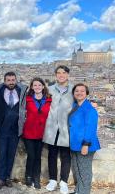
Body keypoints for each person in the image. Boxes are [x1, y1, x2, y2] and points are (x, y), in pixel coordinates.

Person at [43, 65, 74, 194]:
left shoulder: (74, 89)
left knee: (66, 156)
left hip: (66, 127)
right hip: (51, 127)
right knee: (52, 154)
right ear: (56, 75)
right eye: (59, 73)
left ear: (67, 74)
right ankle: (52, 180)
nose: (61, 75)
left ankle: (64, 182)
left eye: (64, 73)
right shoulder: (49, 90)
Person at [0, 72, 28, 190]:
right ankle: (1, 178)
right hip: (2, 129)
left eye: (13, 80)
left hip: (15, 130)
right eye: (8, 80)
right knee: (2, 154)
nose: (11, 82)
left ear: (16, 80)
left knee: (11, 155)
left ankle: (7, 177)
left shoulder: (21, 91)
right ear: (4, 81)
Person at [69, 83, 100, 194]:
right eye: (77, 91)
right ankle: (78, 191)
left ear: (87, 93)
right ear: (73, 93)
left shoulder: (89, 109)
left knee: (84, 171)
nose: (79, 93)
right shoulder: (75, 105)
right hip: (75, 144)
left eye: (82, 91)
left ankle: (84, 192)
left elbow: (91, 128)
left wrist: (85, 144)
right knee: (77, 169)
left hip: (85, 145)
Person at [22, 77, 52, 189]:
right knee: (31, 155)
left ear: (43, 86)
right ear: (32, 87)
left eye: (39, 85)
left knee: (38, 156)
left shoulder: (49, 99)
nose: (37, 87)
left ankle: (36, 178)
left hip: (42, 133)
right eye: (35, 85)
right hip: (29, 132)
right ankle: (28, 176)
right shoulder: (27, 99)